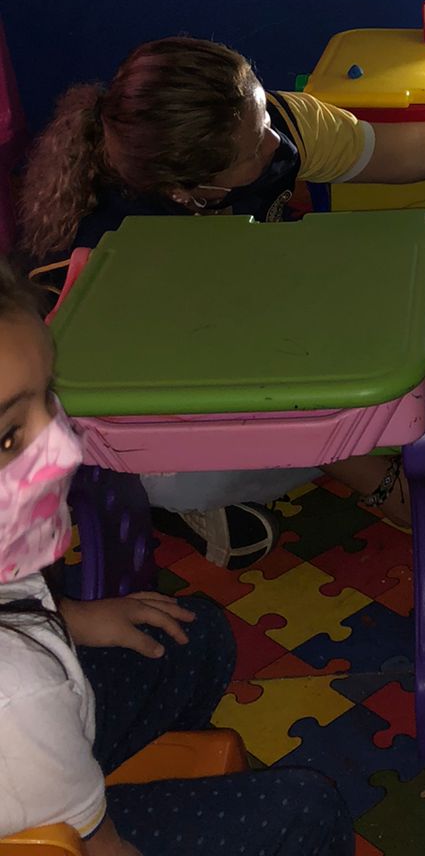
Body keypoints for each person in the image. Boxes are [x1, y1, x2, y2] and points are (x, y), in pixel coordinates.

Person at [19, 36, 425, 562]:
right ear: (189, 191)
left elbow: (412, 150)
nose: (274, 143)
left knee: (345, 319)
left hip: (257, 323)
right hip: (167, 395)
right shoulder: (110, 249)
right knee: (182, 471)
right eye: (253, 150)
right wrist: (374, 476)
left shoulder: (271, 124)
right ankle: (192, 501)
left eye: (263, 117)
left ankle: (365, 421)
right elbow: (232, 373)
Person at [0, 258, 354, 855]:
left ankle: (104, 779)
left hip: (39, 738)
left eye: (47, 396)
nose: (64, 448)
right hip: (55, 827)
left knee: (193, 634)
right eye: (9, 435)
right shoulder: (18, 695)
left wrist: (73, 619)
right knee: (305, 812)